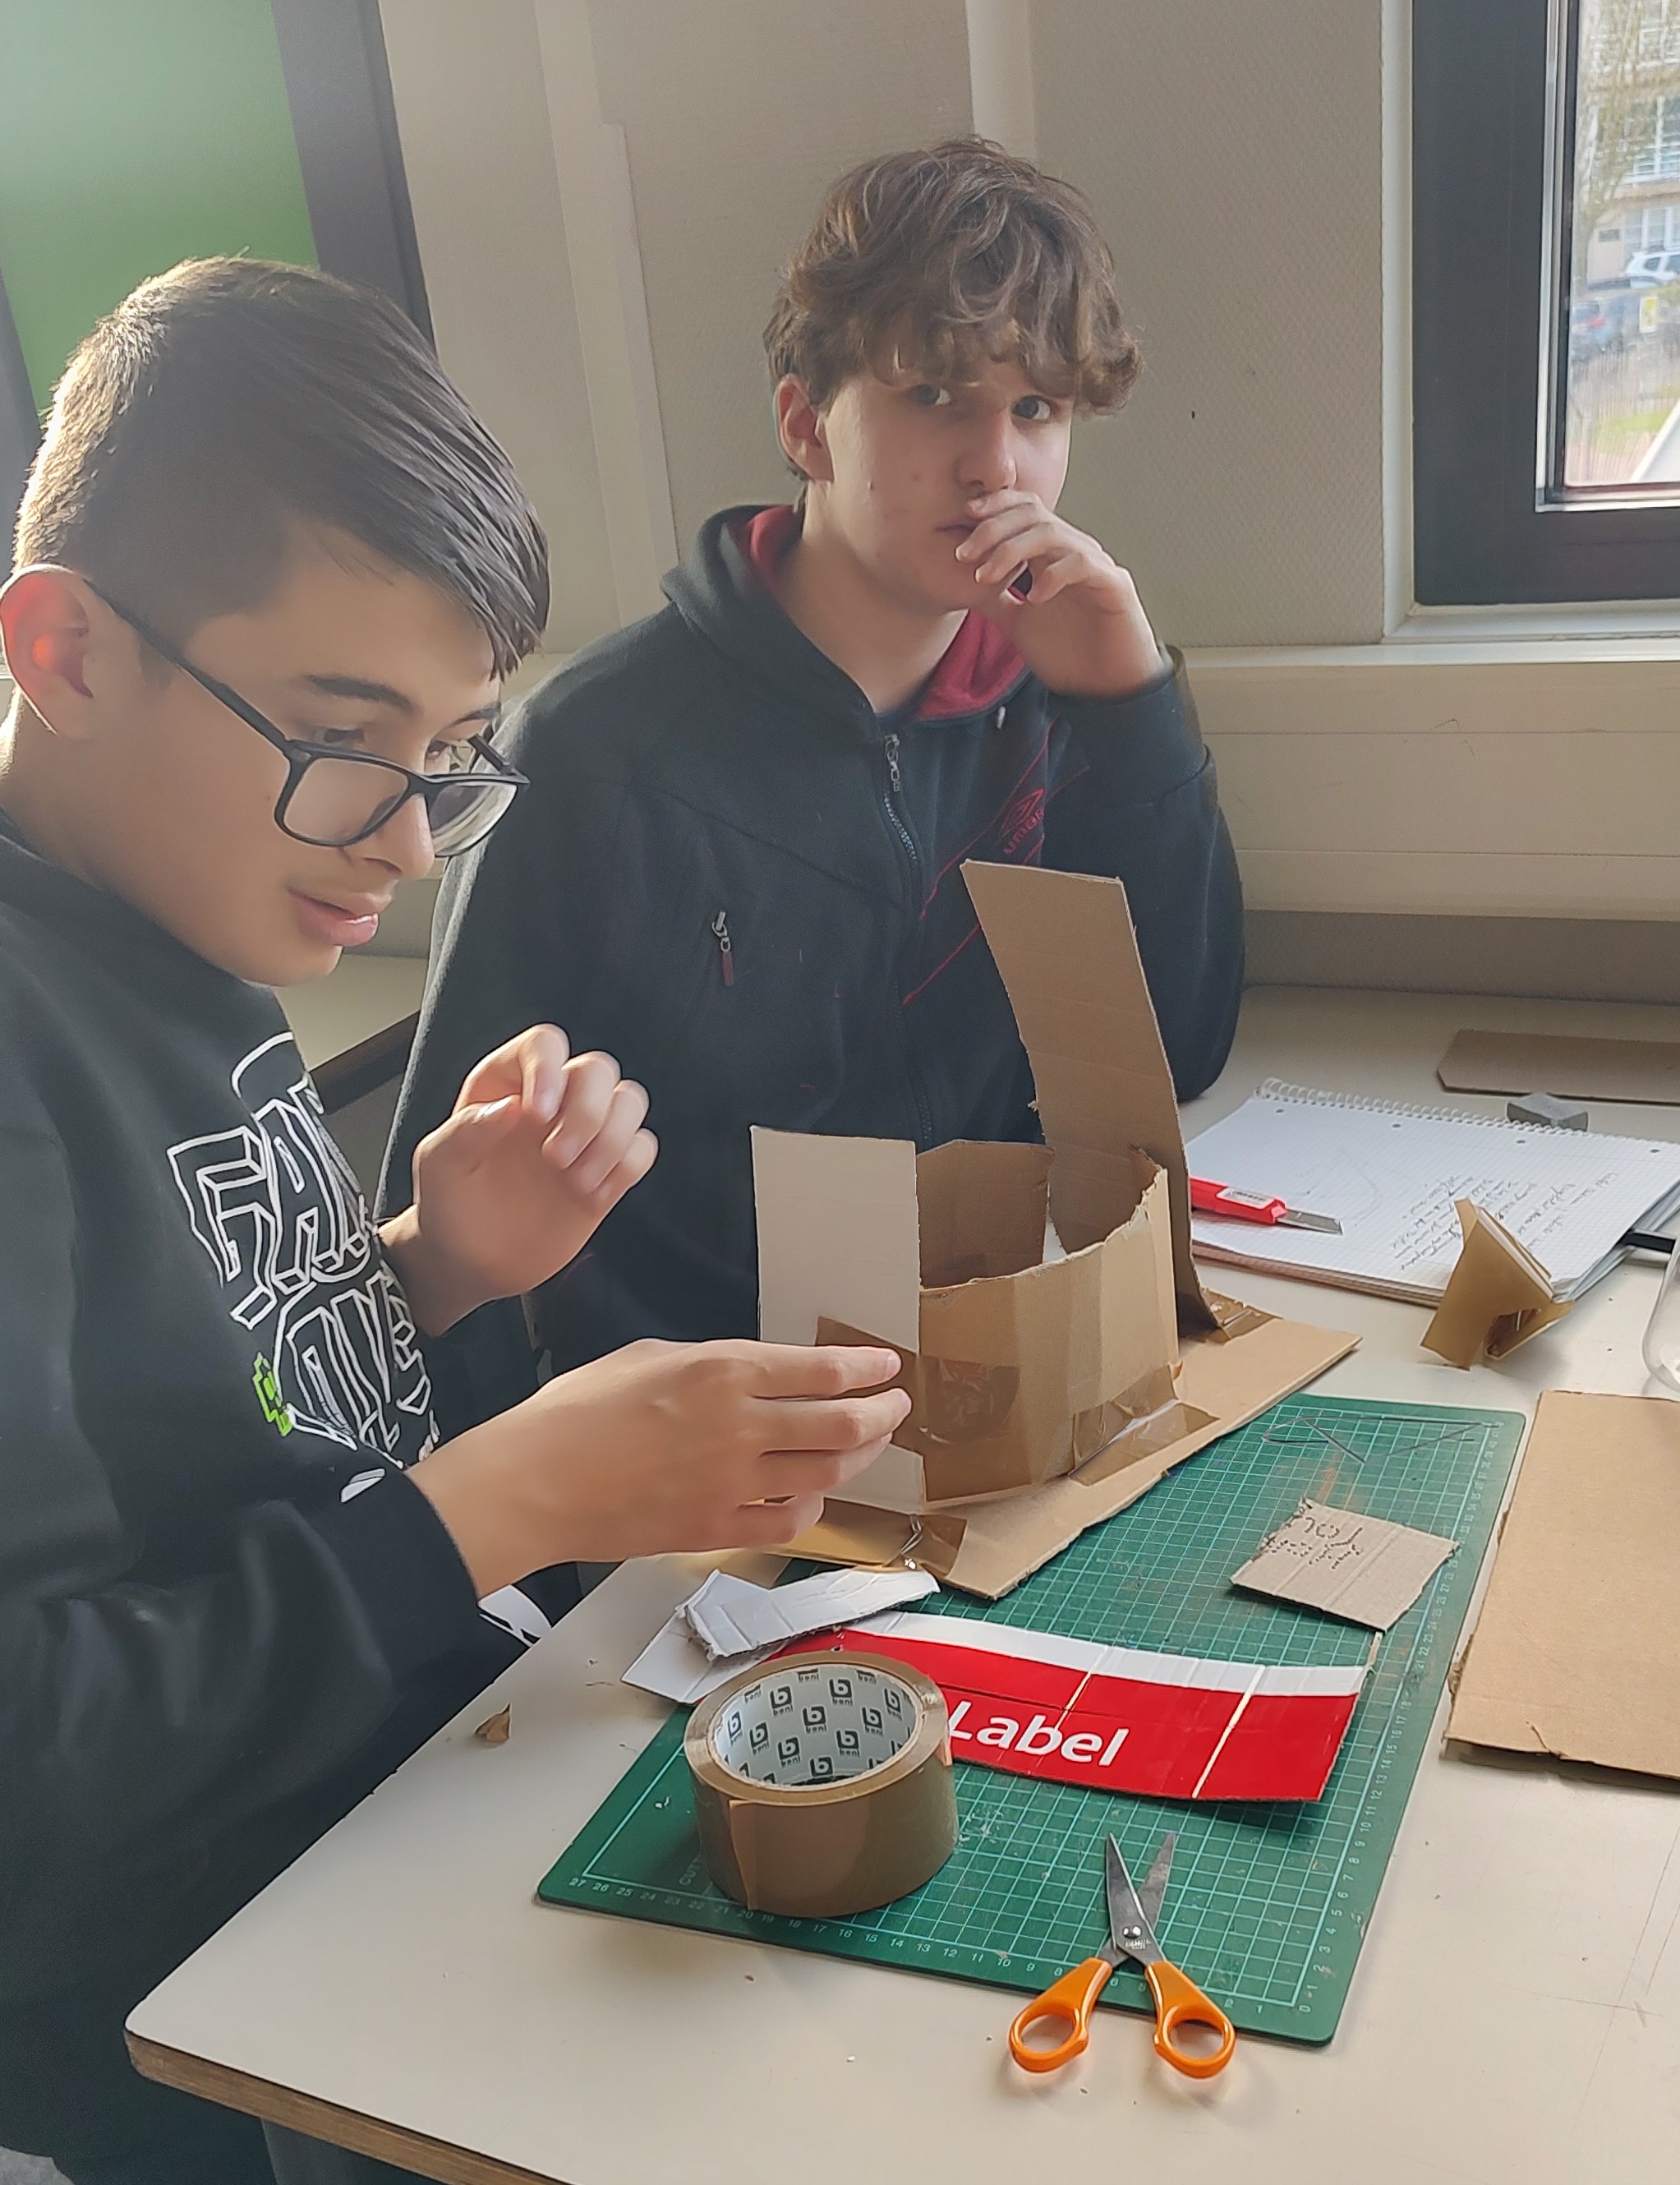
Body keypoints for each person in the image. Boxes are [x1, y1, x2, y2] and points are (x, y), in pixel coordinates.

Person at [0, 258, 908, 2185]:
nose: (408, 840)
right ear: (65, 650)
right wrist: (508, 1495)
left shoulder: (177, 905)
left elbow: (194, 1411)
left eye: (449, 753)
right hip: (228, 2014)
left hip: (414, 1795)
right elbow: (36, 1761)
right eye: (344, 737)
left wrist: (429, 1270)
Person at [385, 137, 1243, 1425]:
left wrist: (1132, 714)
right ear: (805, 426)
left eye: (1036, 410)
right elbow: (450, 1211)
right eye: (936, 395)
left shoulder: (1057, 699)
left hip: (984, 1370)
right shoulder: (596, 752)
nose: (997, 466)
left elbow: (1178, 1053)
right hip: (696, 1423)